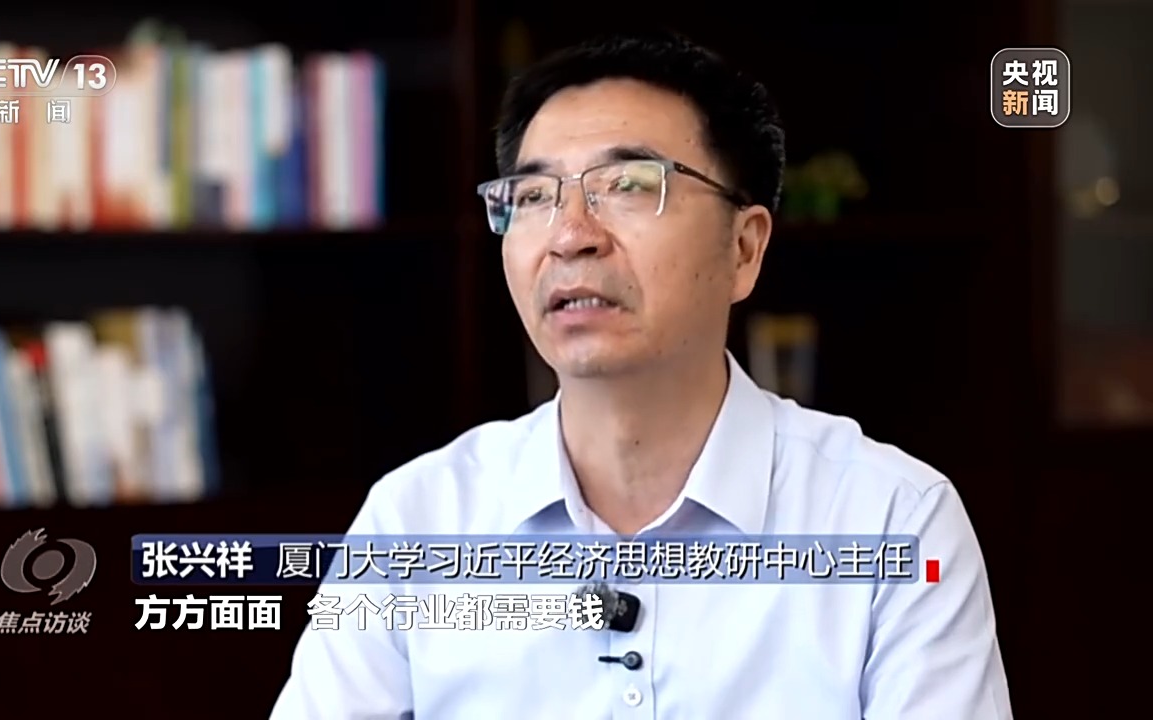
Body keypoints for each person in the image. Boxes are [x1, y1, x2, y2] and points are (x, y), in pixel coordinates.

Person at [271, 30, 1012, 719]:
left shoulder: (893, 522)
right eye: (533, 196)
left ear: (745, 248)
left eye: (627, 185)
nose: (570, 236)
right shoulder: (416, 521)